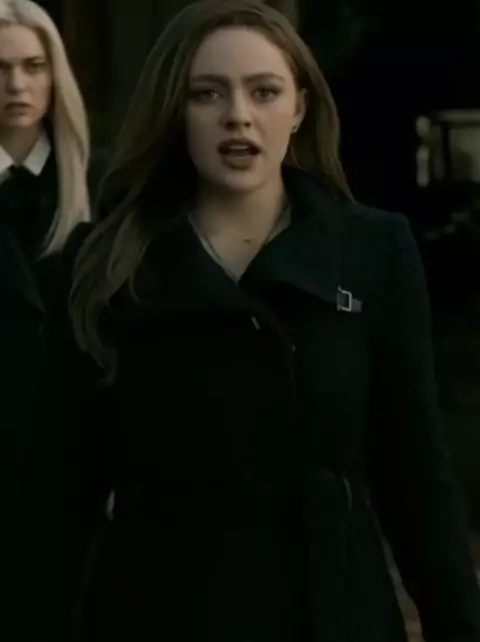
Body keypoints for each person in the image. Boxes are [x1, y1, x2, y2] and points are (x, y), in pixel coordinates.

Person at [15, 1, 480, 641]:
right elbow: (57, 500)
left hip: (330, 612)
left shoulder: (373, 252)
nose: (238, 115)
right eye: (208, 93)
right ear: (176, 111)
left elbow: (417, 478)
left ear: (300, 108)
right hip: (159, 613)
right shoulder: (103, 266)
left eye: (264, 92)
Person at [0, 0, 105, 466]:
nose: (17, 85)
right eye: (0, 68)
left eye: (33, 66)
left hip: (74, 450)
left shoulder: (102, 185)